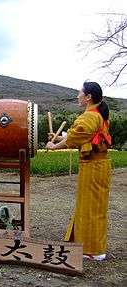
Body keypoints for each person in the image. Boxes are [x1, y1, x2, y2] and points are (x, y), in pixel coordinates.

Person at [46, 81, 112, 261]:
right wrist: (59, 138)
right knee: (89, 207)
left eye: (79, 93)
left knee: (92, 208)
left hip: (94, 167)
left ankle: (94, 250)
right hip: (96, 166)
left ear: (88, 97)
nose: (77, 96)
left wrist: (54, 146)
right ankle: (87, 246)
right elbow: (84, 137)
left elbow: (74, 138)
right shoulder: (97, 114)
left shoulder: (89, 117)